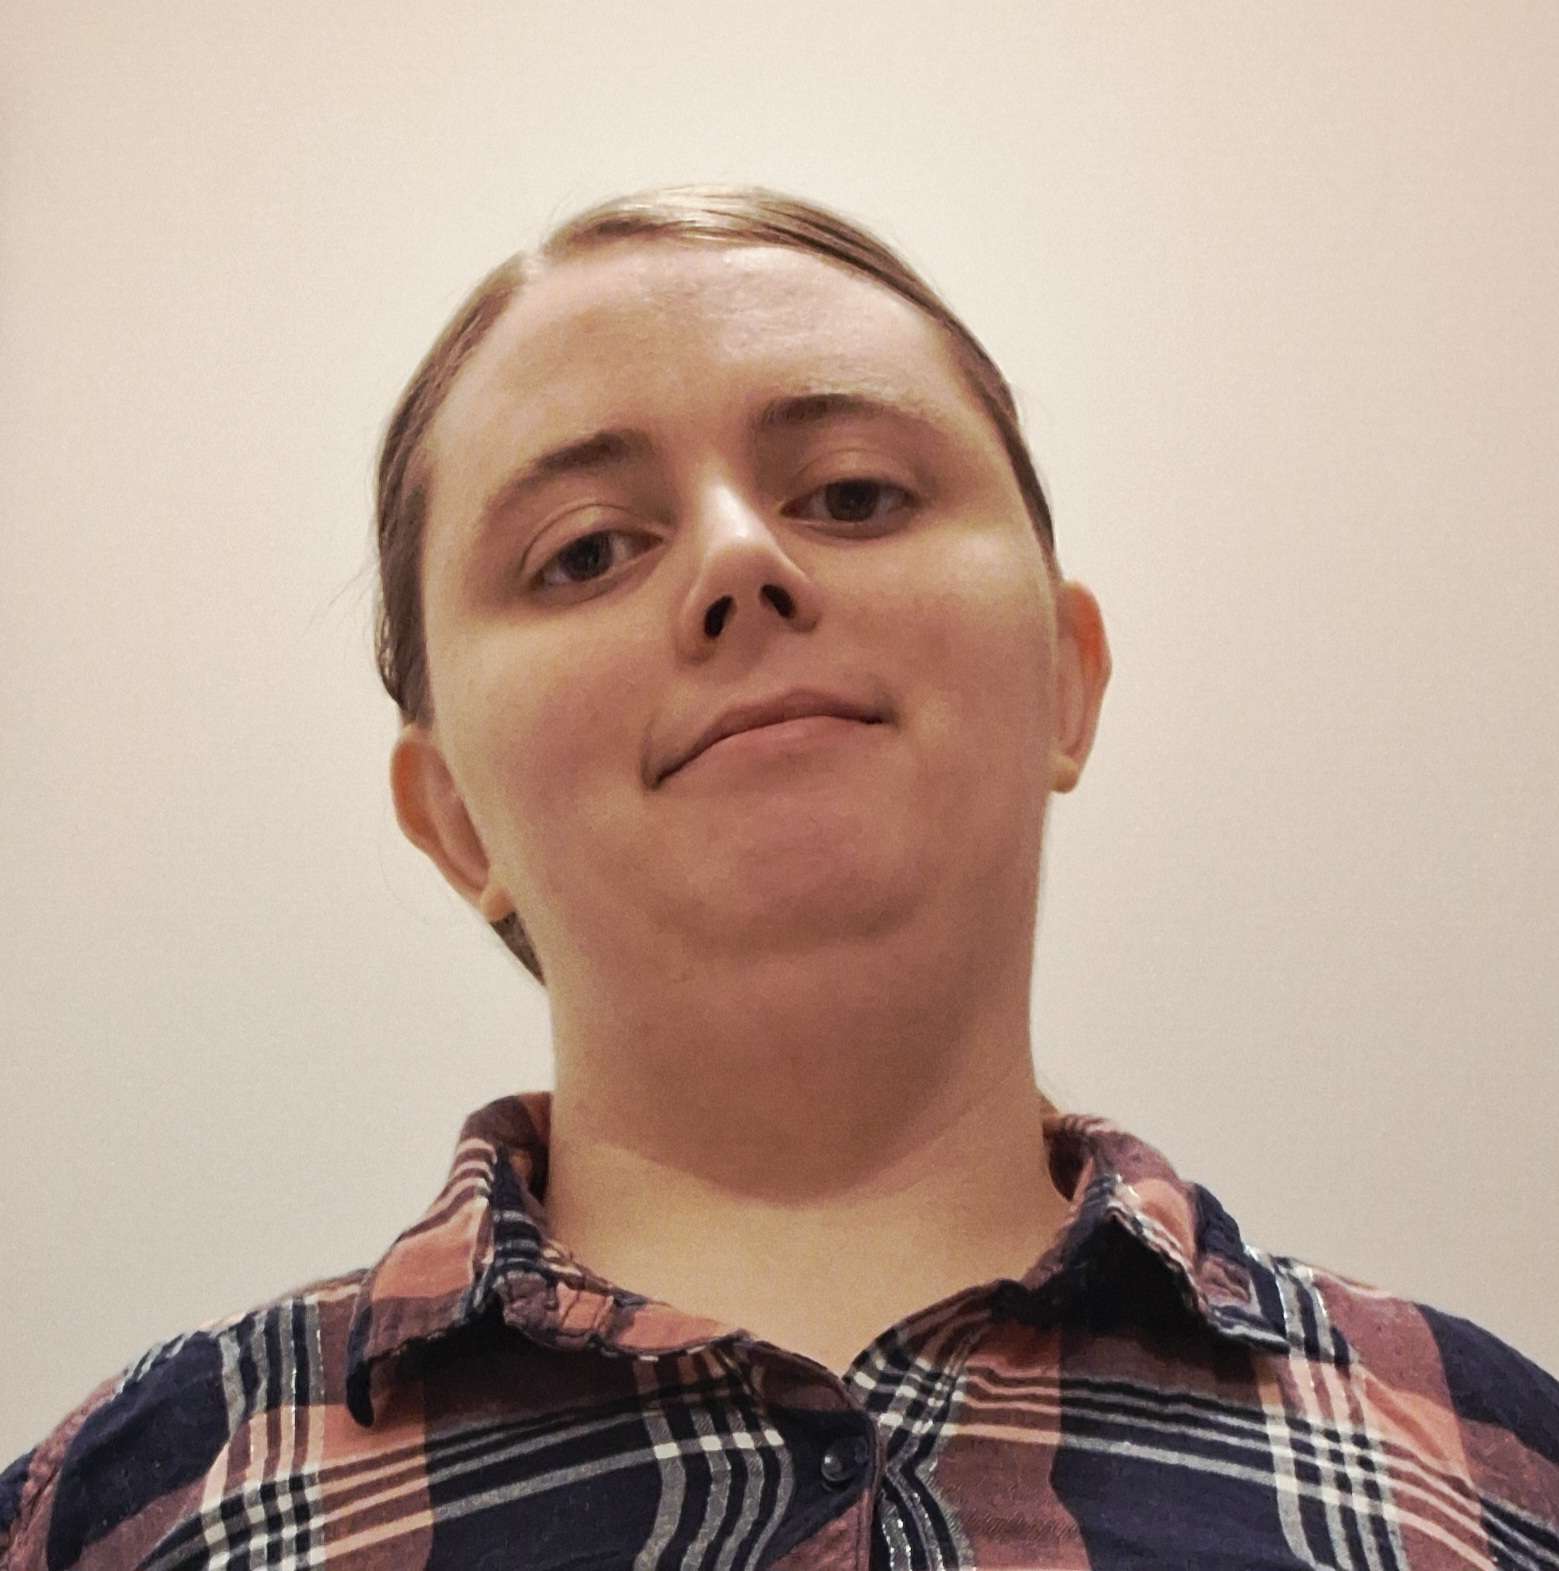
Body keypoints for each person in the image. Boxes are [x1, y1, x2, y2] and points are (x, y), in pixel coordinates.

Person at [4, 183, 1555, 1570]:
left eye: (857, 493)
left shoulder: (1499, 1474)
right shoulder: (121, 1517)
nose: (741, 561)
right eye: (586, 550)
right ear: (456, 818)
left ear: (1066, 680)